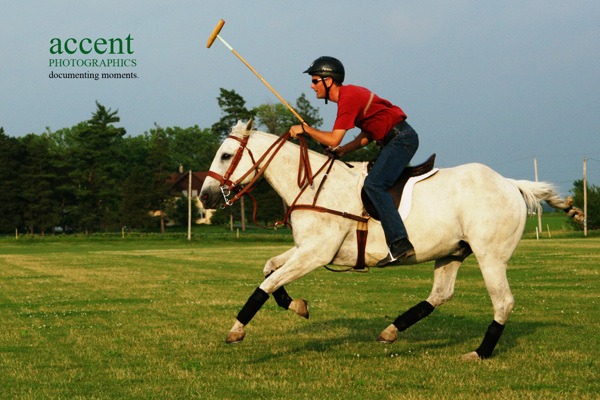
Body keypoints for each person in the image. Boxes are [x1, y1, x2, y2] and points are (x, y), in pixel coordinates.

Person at [289, 56, 419, 267]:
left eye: (314, 80)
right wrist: (343, 151)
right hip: (395, 139)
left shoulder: (347, 98)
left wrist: (306, 129)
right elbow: (367, 135)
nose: (312, 86)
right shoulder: (349, 96)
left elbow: (333, 138)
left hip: (401, 140)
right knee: (370, 180)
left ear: (328, 80)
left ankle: (400, 243)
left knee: (374, 185)